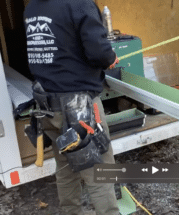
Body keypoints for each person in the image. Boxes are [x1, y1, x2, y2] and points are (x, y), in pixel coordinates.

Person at [23, 0, 120, 214]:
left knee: (66, 169)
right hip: (80, 109)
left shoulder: (32, 7)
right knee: (99, 173)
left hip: (48, 106)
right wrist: (110, 57)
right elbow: (99, 53)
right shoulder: (79, 3)